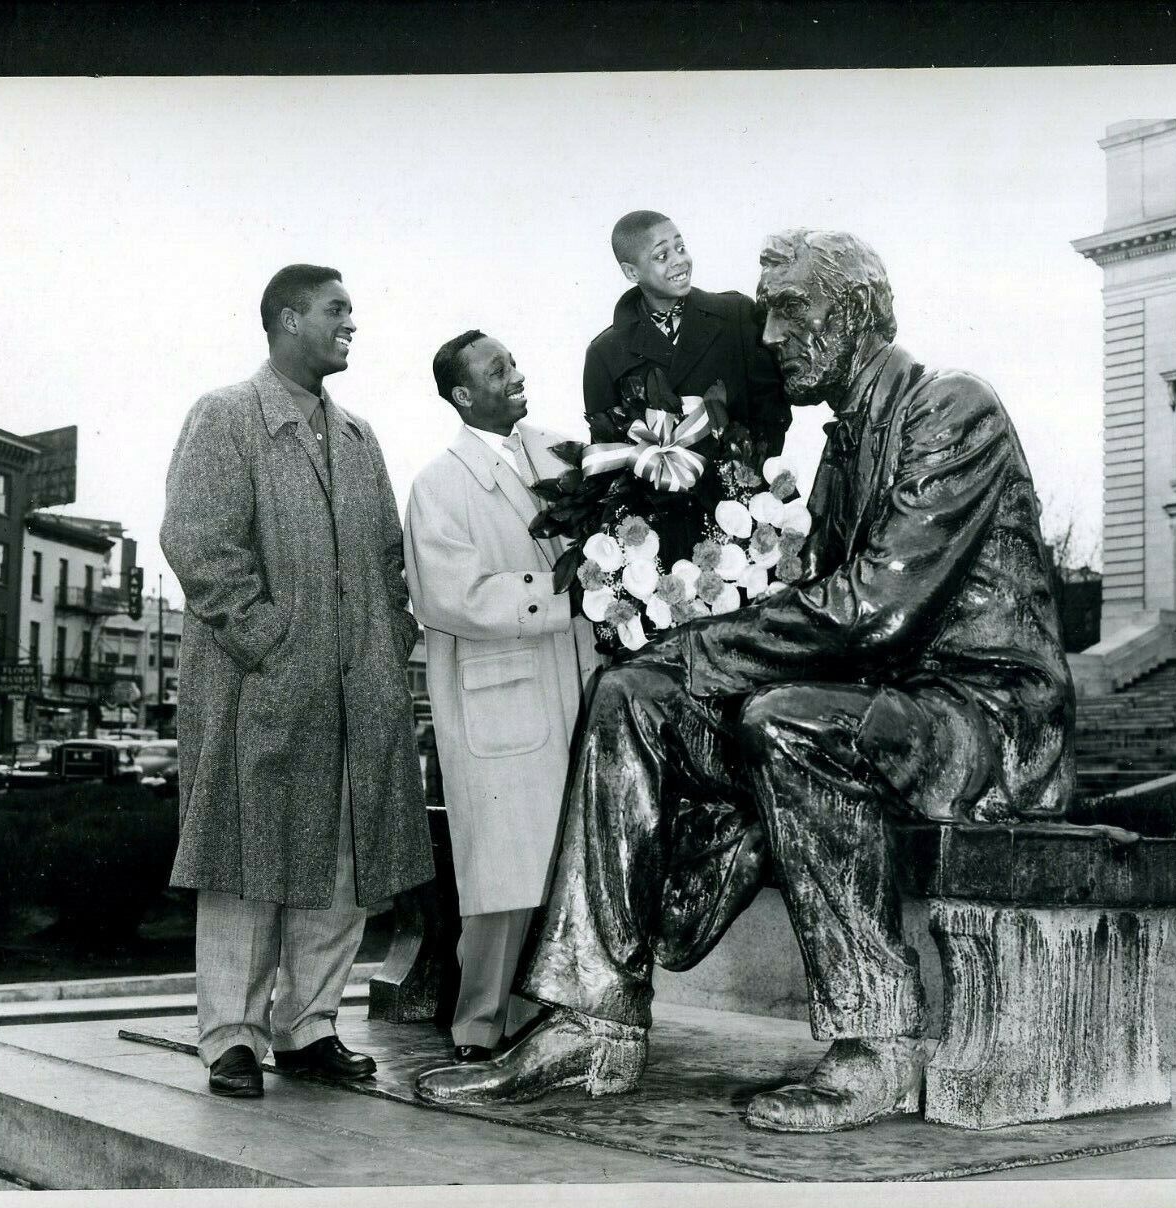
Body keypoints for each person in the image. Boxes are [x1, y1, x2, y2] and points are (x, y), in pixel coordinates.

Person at [415, 230, 1074, 1133]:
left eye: (791, 311)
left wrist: (705, 646)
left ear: (854, 309)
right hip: (890, 702)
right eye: (766, 313)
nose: (768, 335)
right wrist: (679, 651)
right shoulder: (844, 446)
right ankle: (592, 1017)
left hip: (985, 720)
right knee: (631, 696)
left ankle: (879, 1038)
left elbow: (870, 608)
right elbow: (822, 610)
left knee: (785, 718)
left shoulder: (950, 409)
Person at [161, 264, 433, 1098]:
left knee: (345, 864)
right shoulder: (226, 417)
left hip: (357, 692)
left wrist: (387, 645)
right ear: (286, 318)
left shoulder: (360, 438)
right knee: (249, 862)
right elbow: (199, 544)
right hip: (258, 690)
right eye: (336, 310)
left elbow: (387, 559)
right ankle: (230, 1038)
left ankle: (308, 1027)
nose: (353, 322)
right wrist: (272, 642)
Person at [404, 331, 600, 1064]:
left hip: (569, 678)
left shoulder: (558, 452)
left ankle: (545, 1016)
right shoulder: (438, 486)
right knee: (502, 876)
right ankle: (479, 1026)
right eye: (498, 369)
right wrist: (566, 593)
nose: (517, 375)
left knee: (565, 863)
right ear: (462, 394)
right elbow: (451, 596)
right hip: (498, 697)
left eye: (515, 361)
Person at [584, 210, 791, 465]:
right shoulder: (604, 353)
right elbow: (607, 452)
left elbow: (774, 407)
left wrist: (748, 470)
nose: (679, 261)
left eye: (680, 248)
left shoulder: (737, 313)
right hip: (658, 502)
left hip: (749, 490)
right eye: (662, 256)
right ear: (631, 273)